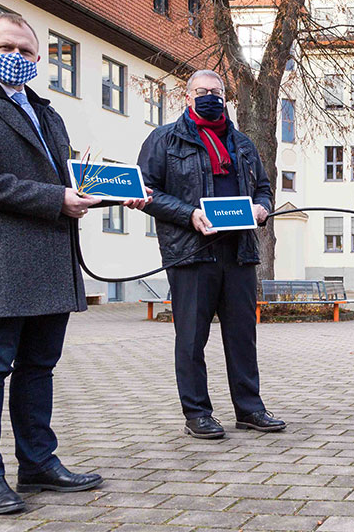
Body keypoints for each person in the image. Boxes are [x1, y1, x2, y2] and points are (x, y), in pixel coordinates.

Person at [0, 14, 148, 514]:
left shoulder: (48, 113)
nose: (19, 56)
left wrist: (120, 195)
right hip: (2, 257)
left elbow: (72, 181)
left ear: (38, 59)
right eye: (7, 45)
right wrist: (57, 198)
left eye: (29, 52)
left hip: (52, 256)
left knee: (39, 367)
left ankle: (37, 463)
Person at [137, 70, 285, 439]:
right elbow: (146, 191)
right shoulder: (164, 140)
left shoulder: (243, 144)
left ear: (224, 97)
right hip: (190, 253)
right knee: (191, 338)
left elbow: (264, 188)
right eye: (201, 91)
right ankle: (197, 413)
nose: (209, 96)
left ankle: (249, 409)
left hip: (238, 252)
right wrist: (189, 215)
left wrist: (262, 208)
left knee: (242, 336)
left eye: (216, 92)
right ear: (188, 97)